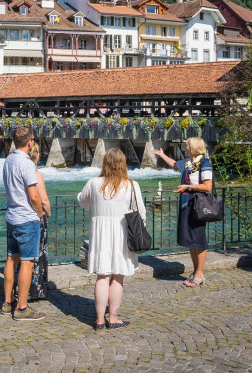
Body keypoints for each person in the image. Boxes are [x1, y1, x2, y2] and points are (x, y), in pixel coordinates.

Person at [77, 148, 146, 330]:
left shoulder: (94, 183)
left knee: (102, 276)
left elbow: (82, 201)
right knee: (117, 277)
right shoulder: (131, 185)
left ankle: (99, 320)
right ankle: (113, 317)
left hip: (101, 235)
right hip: (122, 234)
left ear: (105, 163)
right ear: (123, 164)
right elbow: (141, 213)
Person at [153, 136, 214, 287]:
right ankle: (195, 272)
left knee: (198, 240)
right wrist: (162, 155)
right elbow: (174, 165)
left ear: (193, 147)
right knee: (191, 241)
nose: (185, 147)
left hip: (198, 205)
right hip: (186, 204)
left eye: (187, 145)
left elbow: (208, 187)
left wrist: (188, 187)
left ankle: (199, 274)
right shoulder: (188, 163)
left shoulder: (204, 163)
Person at [1, 126, 46, 321]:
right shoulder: (26, 163)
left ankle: (7, 302)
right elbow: (34, 195)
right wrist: (40, 212)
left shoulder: (8, 160)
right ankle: (22, 308)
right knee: (27, 262)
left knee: (11, 259)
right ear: (30, 142)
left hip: (11, 216)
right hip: (26, 218)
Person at [26, 141, 51, 301]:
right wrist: (47, 213)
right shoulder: (36, 175)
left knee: (24, 258)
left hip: (21, 217)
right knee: (37, 256)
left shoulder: (19, 171)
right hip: (37, 218)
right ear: (37, 156)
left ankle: (22, 290)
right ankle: (37, 290)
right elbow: (44, 200)